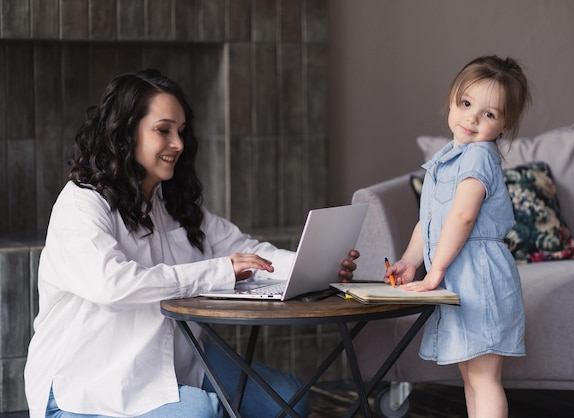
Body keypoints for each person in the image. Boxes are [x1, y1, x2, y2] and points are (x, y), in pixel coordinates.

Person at [24, 69, 360, 418]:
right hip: (90, 385)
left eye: (181, 132)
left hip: (174, 359)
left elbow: (246, 253)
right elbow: (113, 285)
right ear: (125, 132)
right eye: (163, 130)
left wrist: (316, 264)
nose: (179, 144)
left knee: (289, 399)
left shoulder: (171, 204)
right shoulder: (81, 204)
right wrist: (219, 272)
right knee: (201, 413)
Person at [385, 56, 530, 418]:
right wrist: (409, 261)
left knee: (483, 377)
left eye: (489, 114)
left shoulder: (479, 156)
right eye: (466, 104)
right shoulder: (448, 157)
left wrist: (434, 274)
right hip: (461, 279)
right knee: (470, 375)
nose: (472, 118)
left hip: (480, 278)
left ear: (504, 125)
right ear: (451, 100)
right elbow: (431, 221)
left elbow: (463, 216)